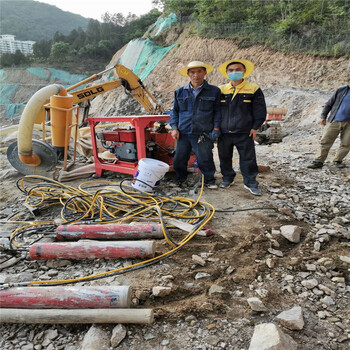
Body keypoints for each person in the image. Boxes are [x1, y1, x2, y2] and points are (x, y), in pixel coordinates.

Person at [217, 59, 266, 195]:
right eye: (231, 70)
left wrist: (255, 127)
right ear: (226, 73)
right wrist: (216, 127)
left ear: (244, 71)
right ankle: (227, 178)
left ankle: (250, 182)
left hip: (245, 132)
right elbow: (215, 111)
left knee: (248, 158)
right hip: (224, 132)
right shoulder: (220, 90)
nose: (234, 72)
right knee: (224, 157)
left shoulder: (253, 89)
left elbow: (260, 111)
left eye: (238, 69)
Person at [169, 61, 221, 189]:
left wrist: (216, 128)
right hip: (184, 132)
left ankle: (209, 180)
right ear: (188, 74)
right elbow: (174, 111)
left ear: (205, 72)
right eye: (192, 72)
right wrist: (174, 128)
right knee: (180, 158)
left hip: (202, 132)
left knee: (205, 158)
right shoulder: (180, 92)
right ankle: (180, 179)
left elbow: (218, 112)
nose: (196, 75)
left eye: (199, 71)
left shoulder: (214, 91)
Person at [308, 85, 350, 169]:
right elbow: (329, 104)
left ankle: (337, 161)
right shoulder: (341, 90)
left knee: (347, 143)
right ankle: (318, 161)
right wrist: (323, 116)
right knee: (325, 141)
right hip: (335, 120)